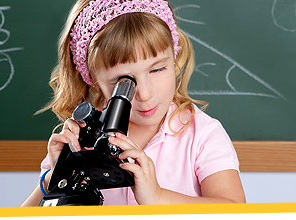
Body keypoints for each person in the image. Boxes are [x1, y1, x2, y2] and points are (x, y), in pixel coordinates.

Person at [21, 0, 244, 206]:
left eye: (157, 69)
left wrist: (158, 197)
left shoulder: (202, 134)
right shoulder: (82, 138)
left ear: (174, 57)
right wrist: (56, 176)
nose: (145, 94)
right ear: (94, 80)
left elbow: (235, 208)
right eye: (123, 82)